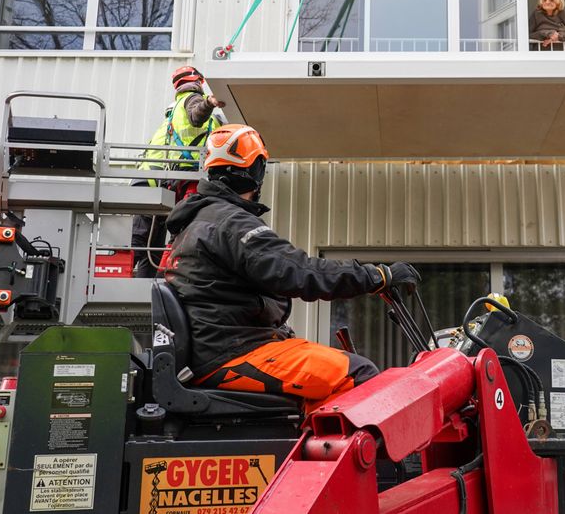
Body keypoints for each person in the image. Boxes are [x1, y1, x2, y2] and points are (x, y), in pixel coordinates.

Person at [163, 123, 420, 407]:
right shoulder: (230, 222)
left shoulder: (197, 222)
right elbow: (299, 271)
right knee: (358, 374)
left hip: (223, 347)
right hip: (232, 352)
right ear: (257, 172)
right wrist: (378, 275)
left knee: (321, 383)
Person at [132, 65, 225, 276]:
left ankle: (144, 279)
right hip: (171, 177)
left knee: (148, 244)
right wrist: (209, 103)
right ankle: (159, 277)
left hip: (159, 179)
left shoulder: (171, 117)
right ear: (199, 82)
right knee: (171, 232)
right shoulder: (192, 99)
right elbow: (197, 115)